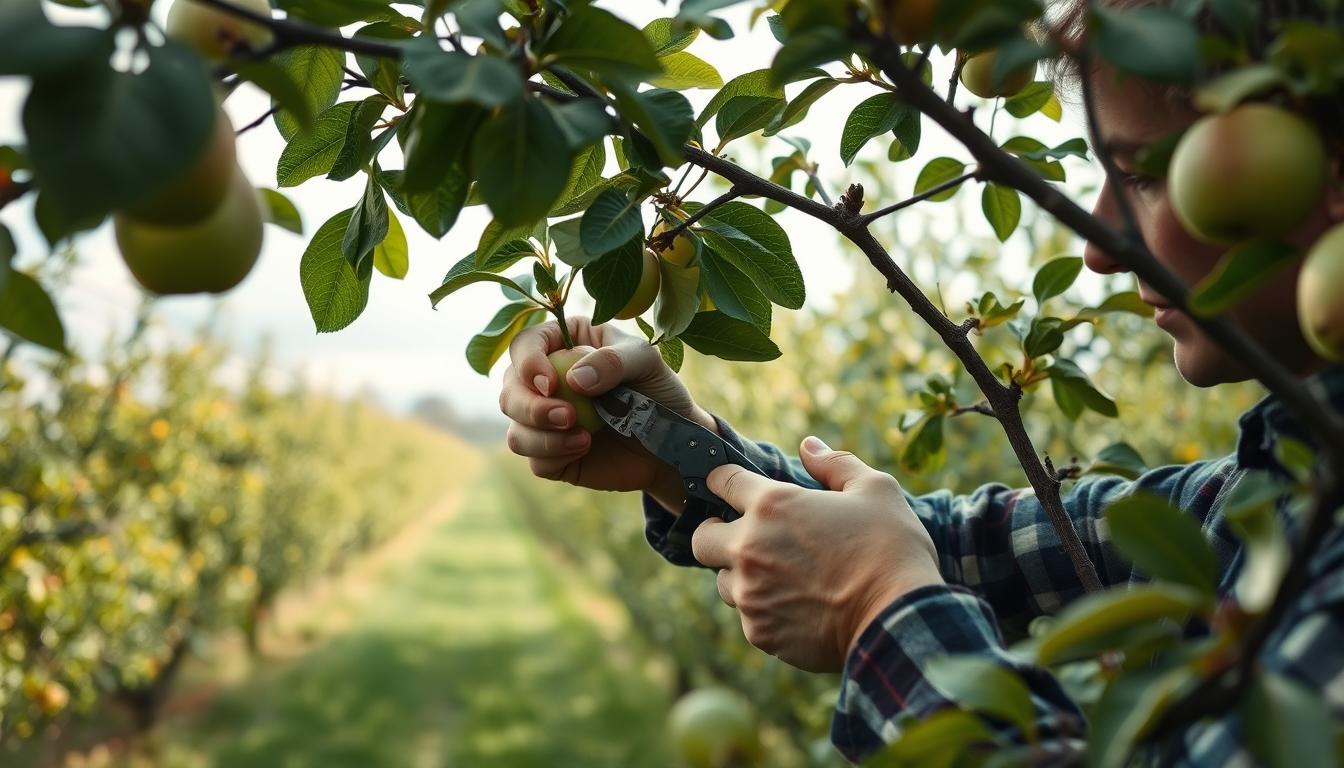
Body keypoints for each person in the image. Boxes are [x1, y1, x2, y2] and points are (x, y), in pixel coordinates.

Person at [495, 0, 1344, 762]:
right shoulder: (1266, 501)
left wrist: (877, 605)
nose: (1099, 244)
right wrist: (667, 446)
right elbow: (954, 544)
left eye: (1146, 176)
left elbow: (892, 565)